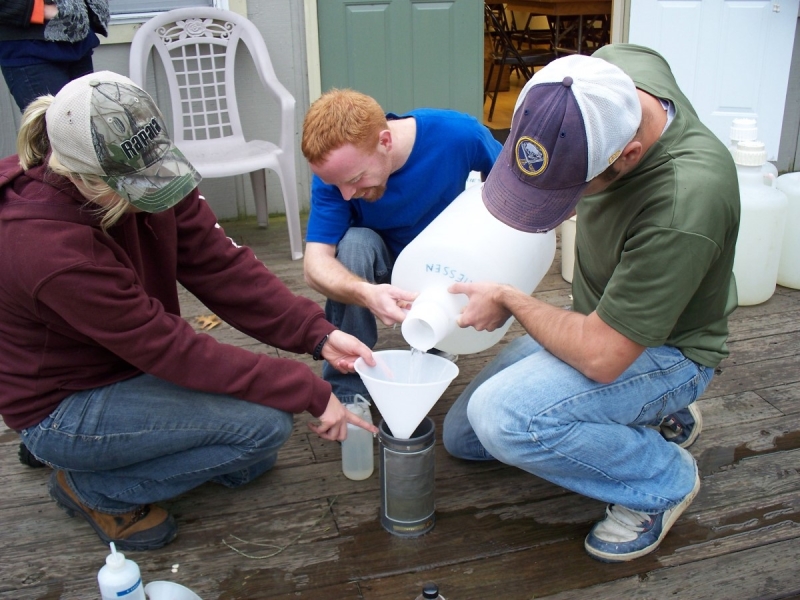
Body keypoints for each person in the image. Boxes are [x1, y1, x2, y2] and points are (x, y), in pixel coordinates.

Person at [0, 71, 378, 551]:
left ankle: (107, 458)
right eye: (135, 189)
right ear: (81, 175)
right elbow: (167, 347)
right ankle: (92, 486)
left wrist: (316, 333)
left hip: (128, 364)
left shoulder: (146, 173)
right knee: (263, 430)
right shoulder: (46, 247)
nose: (153, 195)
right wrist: (306, 386)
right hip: (64, 402)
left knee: (252, 456)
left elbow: (221, 266)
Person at [442, 45, 740, 562]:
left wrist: (511, 299)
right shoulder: (600, 79)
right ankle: (643, 415)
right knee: (466, 438)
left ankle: (662, 479)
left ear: (628, 155)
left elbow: (603, 356)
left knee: (507, 420)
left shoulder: (683, 203)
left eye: (569, 193)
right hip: (599, 322)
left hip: (664, 349)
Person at [301, 89, 503, 404]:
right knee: (353, 244)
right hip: (385, 265)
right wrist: (365, 293)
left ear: (385, 141)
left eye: (355, 179)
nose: (345, 194)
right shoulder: (337, 174)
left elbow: (516, 195)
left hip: (446, 266)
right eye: (336, 185)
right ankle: (348, 392)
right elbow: (315, 265)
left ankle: (437, 347)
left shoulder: (458, 136)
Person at [0, 0, 109, 112]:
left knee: (86, 122)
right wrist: (37, 9)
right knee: (55, 125)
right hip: (31, 50)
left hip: (77, 40)